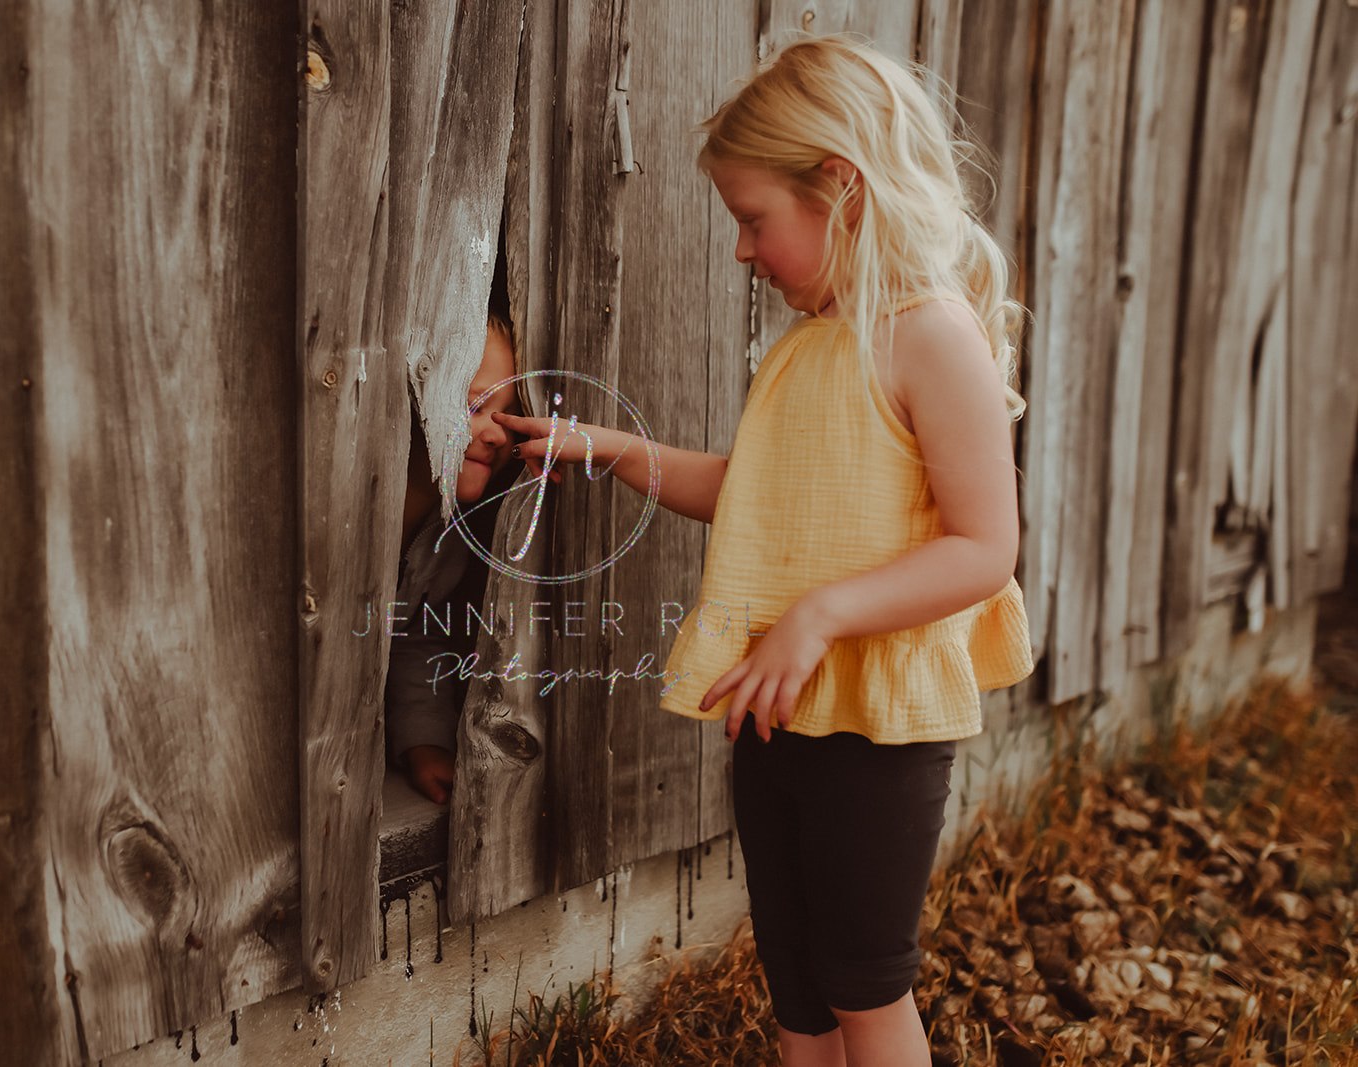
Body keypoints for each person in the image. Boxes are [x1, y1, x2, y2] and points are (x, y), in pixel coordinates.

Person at [493, 34, 1033, 1067]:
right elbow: (754, 495)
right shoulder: (805, 346)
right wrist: (615, 449)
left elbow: (983, 546)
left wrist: (818, 613)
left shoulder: (932, 338)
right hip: (778, 708)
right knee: (797, 983)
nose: (742, 250)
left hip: (875, 724)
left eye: (754, 221)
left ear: (841, 187)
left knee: (865, 981)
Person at [387, 312, 527, 805]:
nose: (497, 435)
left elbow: (410, 636)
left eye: (509, 416)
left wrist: (421, 741)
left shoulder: (447, 536)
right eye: (476, 405)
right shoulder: (340, 510)